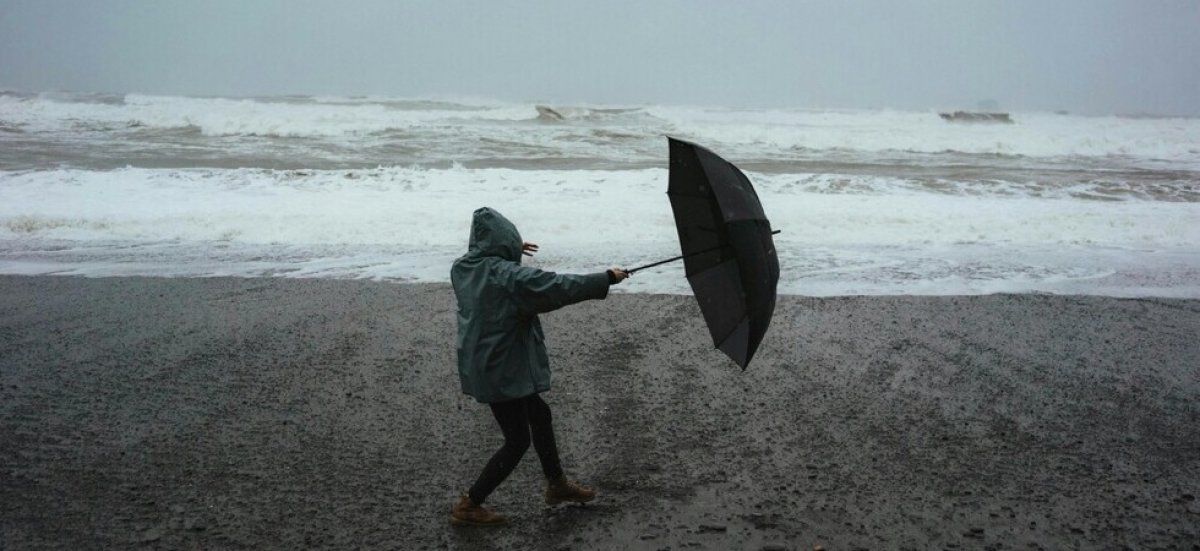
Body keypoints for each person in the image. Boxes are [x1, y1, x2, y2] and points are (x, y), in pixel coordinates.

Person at [449, 207, 629, 526]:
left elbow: (490, 265)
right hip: (500, 369)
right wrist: (606, 278)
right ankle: (470, 503)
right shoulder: (509, 277)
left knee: (539, 414)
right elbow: (557, 287)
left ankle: (557, 485)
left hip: (486, 362)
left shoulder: (463, 269)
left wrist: (508, 250)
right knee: (517, 440)